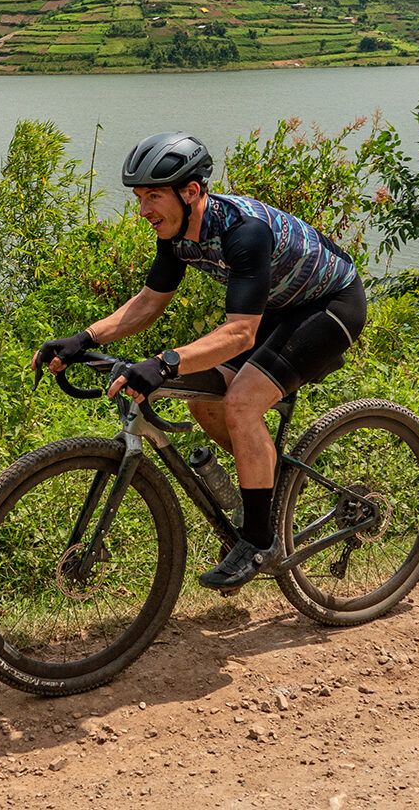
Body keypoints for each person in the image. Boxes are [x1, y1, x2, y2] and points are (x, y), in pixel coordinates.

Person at [33, 131, 366, 589]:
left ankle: (259, 539)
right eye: (139, 197)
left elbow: (239, 332)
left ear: (191, 192)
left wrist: (165, 363)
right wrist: (82, 338)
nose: (144, 209)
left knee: (242, 404)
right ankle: (271, 485)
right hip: (277, 309)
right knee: (203, 401)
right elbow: (149, 303)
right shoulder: (175, 235)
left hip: (329, 305)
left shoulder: (243, 232)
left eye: (154, 196)